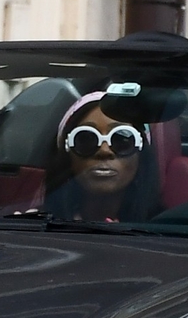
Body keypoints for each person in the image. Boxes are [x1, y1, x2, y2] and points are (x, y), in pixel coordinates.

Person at [46, 90, 161, 224]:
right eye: (86, 139)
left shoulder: (167, 230)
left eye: (121, 139)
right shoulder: (36, 225)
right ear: (67, 151)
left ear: (141, 154)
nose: (104, 150)